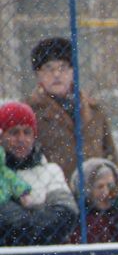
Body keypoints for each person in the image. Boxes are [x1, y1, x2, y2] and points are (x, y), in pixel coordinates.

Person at [26, 37, 118, 181]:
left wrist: (113, 190)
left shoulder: (94, 109)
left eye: (63, 67)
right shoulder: (29, 112)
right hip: (52, 195)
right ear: (38, 74)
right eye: (49, 68)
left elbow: (110, 154)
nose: (56, 74)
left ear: (73, 71)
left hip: (93, 195)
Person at [0, 101, 77, 246]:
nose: (21, 139)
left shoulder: (50, 170)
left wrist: (23, 223)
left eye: (27, 132)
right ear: (1, 137)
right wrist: (40, 214)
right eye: (14, 132)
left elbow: (66, 213)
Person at [67, 157, 118, 243]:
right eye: (100, 187)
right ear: (86, 191)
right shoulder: (76, 223)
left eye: (110, 186)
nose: (106, 192)